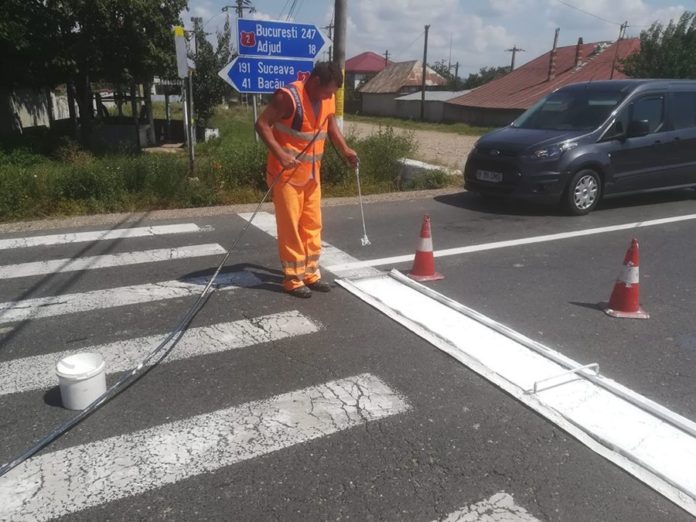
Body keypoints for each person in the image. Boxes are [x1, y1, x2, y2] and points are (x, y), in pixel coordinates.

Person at [255, 61, 358, 298]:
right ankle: (293, 279)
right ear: (315, 82)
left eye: (332, 93)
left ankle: (310, 273)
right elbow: (261, 124)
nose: (330, 96)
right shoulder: (288, 97)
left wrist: (346, 150)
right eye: (327, 91)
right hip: (286, 176)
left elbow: (331, 127)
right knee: (291, 227)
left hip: (312, 174)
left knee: (312, 225)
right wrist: (280, 154)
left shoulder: (327, 98)